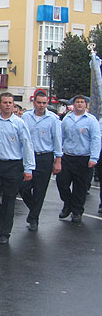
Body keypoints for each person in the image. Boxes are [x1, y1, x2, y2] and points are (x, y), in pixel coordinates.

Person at [0, 93, 35, 244]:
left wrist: (28, 168)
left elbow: (27, 145)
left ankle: (5, 233)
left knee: (9, 200)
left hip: (13, 165)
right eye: (5, 102)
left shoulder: (19, 123)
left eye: (11, 103)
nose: (8, 105)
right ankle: (0, 221)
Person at [20, 91, 62, 231]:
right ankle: (34, 210)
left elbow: (57, 140)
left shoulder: (53, 119)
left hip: (45, 157)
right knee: (24, 188)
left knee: (40, 189)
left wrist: (58, 160)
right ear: (34, 103)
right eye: (39, 102)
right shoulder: (26, 117)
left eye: (44, 103)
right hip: (28, 156)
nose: (41, 105)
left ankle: (33, 218)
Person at [56, 94, 101, 222]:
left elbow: (96, 139)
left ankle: (77, 211)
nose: (80, 104)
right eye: (77, 102)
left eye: (82, 102)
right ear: (73, 104)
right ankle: (68, 204)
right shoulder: (67, 119)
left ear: (85, 105)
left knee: (80, 186)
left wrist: (94, 157)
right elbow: (61, 137)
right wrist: (58, 154)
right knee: (62, 183)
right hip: (67, 156)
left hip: (83, 157)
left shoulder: (91, 120)